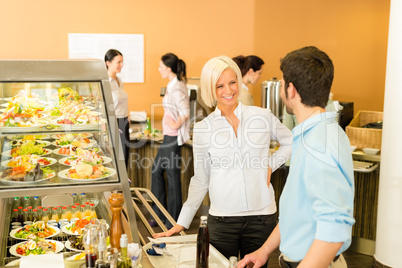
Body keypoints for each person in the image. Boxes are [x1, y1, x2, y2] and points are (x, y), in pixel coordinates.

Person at [153, 55, 292, 265]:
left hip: (262, 217)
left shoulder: (262, 116)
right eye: (220, 86)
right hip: (222, 220)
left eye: (232, 82)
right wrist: (182, 222)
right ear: (210, 89)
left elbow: (291, 141)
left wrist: (271, 164)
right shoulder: (203, 128)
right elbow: (200, 180)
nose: (228, 91)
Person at [238, 46, 355, 268]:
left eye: (282, 83)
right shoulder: (313, 134)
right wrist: (264, 251)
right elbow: (297, 210)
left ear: (291, 90)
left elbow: (334, 229)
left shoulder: (318, 145)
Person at [151, 53, 190, 225]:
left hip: (172, 138)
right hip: (168, 137)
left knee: (172, 178)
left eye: (160, 66)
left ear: (168, 68)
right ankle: (160, 214)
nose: (159, 69)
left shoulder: (178, 87)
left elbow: (186, 112)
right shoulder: (172, 85)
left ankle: (173, 219)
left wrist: (175, 125)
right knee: (156, 171)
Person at [105, 49, 130, 167]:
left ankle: (125, 185)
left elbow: (122, 103)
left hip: (124, 123)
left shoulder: (119, 80)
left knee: (125, 159)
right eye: (118, 62)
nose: (122, 65)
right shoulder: (106, 82)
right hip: (113, 123)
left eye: (122, 62)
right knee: (116, 161)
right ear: (108, 63)